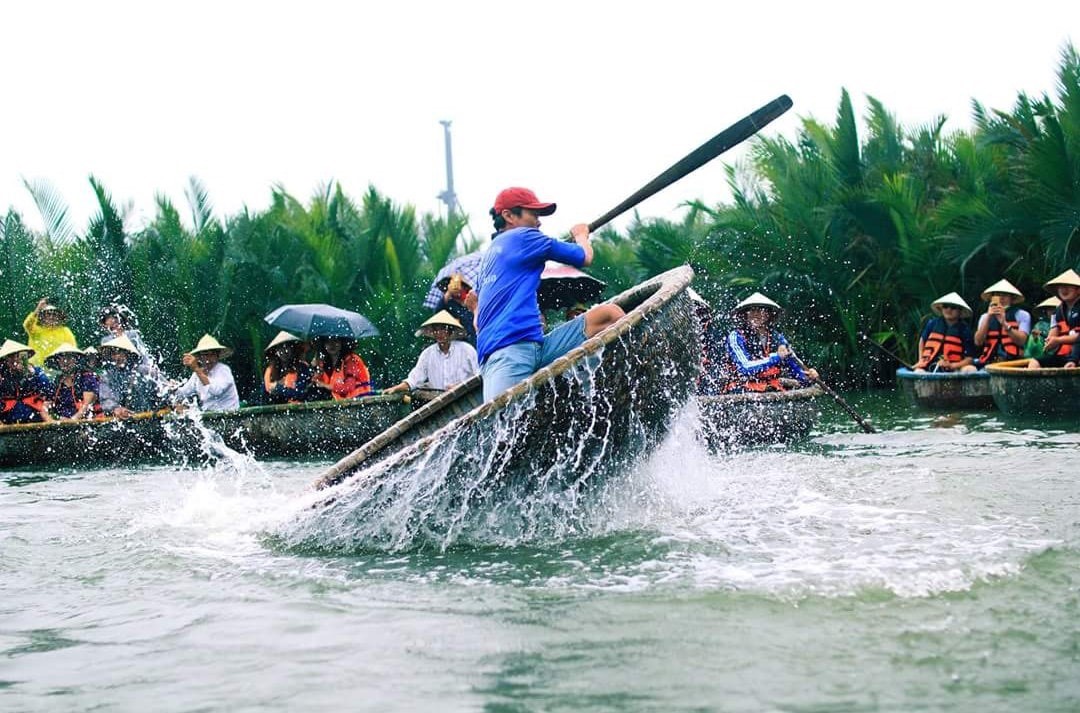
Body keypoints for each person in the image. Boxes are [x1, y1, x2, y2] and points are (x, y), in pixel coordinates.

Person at [475, 187, 624, 402]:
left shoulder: (486, 260)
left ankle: (612, 389)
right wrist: (581, 235)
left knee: (609, 315)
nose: (539, 222)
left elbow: (478, 322)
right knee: (504, 425)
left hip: (536, 348)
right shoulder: (524, 237)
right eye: (533, 215)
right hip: (507, 357)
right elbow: (584, 256)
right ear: (508, 216)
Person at [715, 292, 818, 393]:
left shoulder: (778, 338)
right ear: (745, 315)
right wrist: (776, 357)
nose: (755, 314)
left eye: (761, 310)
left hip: (770, 388)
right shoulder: (736, 336)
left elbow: (795, 367)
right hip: (742, 389)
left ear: (769, 315)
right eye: (751, 310)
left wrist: (809, 376)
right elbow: (744, 368)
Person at [384, 311, 479, 394]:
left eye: (443, 329)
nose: (439, 333)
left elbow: (479, 375)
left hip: (466, 397)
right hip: (439, 402)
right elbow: (415, 378)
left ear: (450, 331)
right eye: (436, 330)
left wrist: (461, 387)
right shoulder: (428, 354)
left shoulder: (466, 350)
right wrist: (397, 388)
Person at [98, 335, 165, 418]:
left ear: (127, 353)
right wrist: (116, 409)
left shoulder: (145, 371)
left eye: (119, 352)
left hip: (152, 417)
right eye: (113, 354)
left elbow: (165, 389)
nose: (117, 357)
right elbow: (106, 399)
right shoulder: (108, 376)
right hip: (126, 420)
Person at [913, 292, 978, 372]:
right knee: (918, 371)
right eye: (945, 306)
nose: (948, 310)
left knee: (971, 369)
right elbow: (922, 341)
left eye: (953, 307)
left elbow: (970, 359)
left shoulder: (965, 330)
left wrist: (952, 365)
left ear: (960, 311)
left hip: (955, 368)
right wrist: (921, 361)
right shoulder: (932, 324)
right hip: (930, 364)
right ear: (941, 309)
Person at [1028, 269, 1080, 369]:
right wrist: (1048, 341)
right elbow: (1053, 335)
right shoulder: (1057, 311)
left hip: (1077, 355)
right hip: (1066, 355)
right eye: (1061, 287)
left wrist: (1058, 340)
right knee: (1035, 362)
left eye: (1068, 286)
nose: (1063, 290)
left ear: (1078, 290)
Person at [174, 334, 240, 411]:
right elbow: (183, 393)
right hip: (209, 417)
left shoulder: (223, 370)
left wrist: (197, 369)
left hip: (229, 416)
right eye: (205, 355)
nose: (209, 359)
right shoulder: (196, 375)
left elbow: (216, 391)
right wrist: (173, 388)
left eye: (212, 354)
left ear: (217, 356)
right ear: (200, 357)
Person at [973, 278, 1030, 367]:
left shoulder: (1022, 315)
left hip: (1014, 362)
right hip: (990, 362)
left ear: (1012, 298)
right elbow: (978, 342)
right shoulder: (984, 317)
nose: (1001, 297)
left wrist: (1004, 323)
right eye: (997, 295)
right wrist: (988, 317)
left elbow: (1021, 341)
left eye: (1005, 295)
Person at [0, 339, 53, 424]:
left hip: (35, 420)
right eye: (11, 356)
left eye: (18, 356)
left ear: (25, 357)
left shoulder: (36, 371)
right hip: (7, 422)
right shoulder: (2, 375)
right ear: (5, 359)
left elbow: (49, 390)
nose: (15, 359)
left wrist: (32, 373)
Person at [98, 303, 158, 377]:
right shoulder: (106, 341)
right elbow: (107, 362)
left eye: (115, 323)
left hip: (137, 369)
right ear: (105, 326)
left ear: (119, 320)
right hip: (117, 373)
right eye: (111, 327)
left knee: (151, 372)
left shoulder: (132, 335)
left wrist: (149, 368)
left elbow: (144, 355)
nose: (115, 328)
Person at [44, 344, 99, 420]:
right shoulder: (57, 381)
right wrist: (50, 421)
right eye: (61, 358)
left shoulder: (87, 378)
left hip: (84, 422)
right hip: (61, 423)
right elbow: (44, 407)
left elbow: (86, 406)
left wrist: (71, 420)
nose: (65, 361)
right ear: (58, 362)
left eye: (69, 358)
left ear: (76, 360)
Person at [262, 331, 314, 404]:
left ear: (293, 349)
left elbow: (300, 394)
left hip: (298, 411)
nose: (284, 351)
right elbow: (264, 396)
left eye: (287, 347)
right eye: (280, 348)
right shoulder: (270, 371)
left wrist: (278, 388)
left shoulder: (302, 368)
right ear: (276, 351)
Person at [23, 298, 78, 367]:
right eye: (48, 314)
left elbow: (72, 349)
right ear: (42, 317)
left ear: (59, 317)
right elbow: (27, 325)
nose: (51, 317)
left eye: (54, 314)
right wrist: (38, 309)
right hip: (37, 369)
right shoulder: (36, 330)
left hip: (58, 368)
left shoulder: (65, 331)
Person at [436, 273, 477, 345]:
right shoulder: (448, 304)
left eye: (460, 285)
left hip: (473, 343)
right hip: (455, 344)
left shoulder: (470, 303)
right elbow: (437, 313)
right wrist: (448, 293)